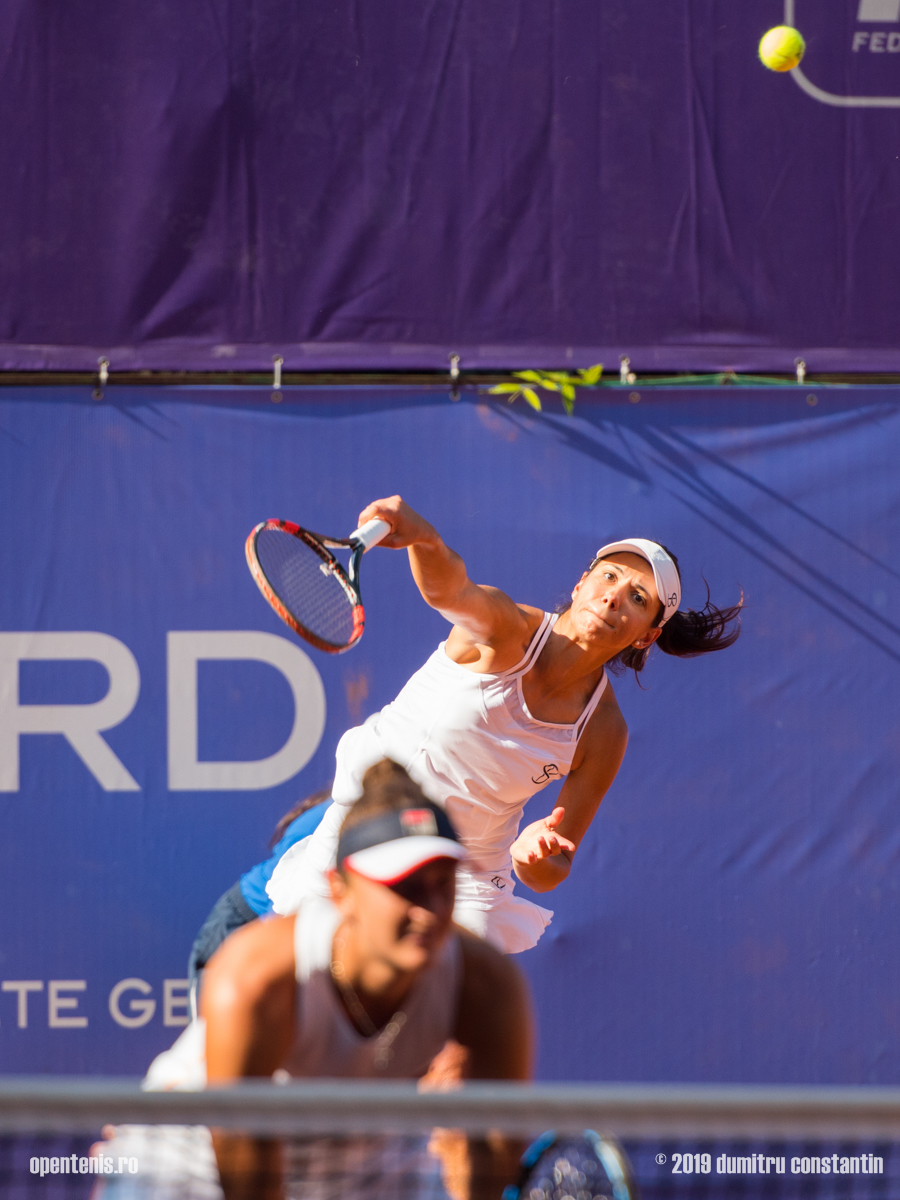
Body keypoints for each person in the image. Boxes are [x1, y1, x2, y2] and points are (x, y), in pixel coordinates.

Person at [268, 496, 741, 953]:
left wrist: (532, 856)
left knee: (449, 990)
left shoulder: (604, 731)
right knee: (310, 977)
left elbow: (556, 865)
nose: (613, 596)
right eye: (609, 575)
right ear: (581, 584)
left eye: (637, 597)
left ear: (648, 635)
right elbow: (450, 591)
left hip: (466, 875)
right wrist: (426, 540)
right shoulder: (505, 628)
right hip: (366, 824)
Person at [203, 759, 533, 1200]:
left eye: (443, 883)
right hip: (195, 1162)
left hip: (363, 1158)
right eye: (405, 886)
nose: (431, 911)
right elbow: (245, 1164)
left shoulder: (486, 983)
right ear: (339, 890)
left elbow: (489, 1152)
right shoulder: (258, 977)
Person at [188, 789, 332, 989]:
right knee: (216, 1003)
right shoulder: (325, 819)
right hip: (241, 921)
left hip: (280, 925)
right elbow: (283, 897)